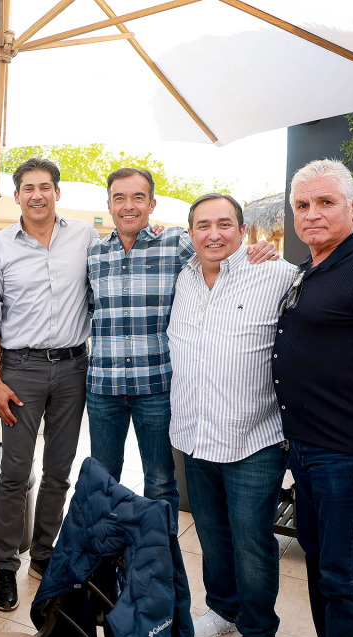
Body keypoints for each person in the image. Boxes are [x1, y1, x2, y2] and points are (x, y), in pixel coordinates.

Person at [87, 168, 277, 520]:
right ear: (109, 204)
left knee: (160, 481)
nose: (129, 206)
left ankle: (161, 550)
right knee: (102, 479)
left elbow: (220, 247)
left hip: (158, 387)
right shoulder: (93, 253)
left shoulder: (176, 243)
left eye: (138, 197)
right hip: (104, 387)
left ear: (151, 204)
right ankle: (103, 548)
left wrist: (257, 248)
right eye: (119, 198)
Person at [167, 193, 296, 637]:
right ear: (190, 233)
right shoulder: (182, 277)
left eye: (224, 224)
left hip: (252, 438)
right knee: (210, 533)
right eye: (203, 225)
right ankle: (223, 610)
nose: (214, 234)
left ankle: (258, 629)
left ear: (243, 231)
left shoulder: (277, 274)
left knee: (252, 542)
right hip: (194, 433)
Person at [0, 158, 100, 611]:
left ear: (57, 192)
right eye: (28, 188)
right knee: (14, 473)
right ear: (17, 196)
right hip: (20, 369)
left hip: (73, 368)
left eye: (44, 187)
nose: (37, 195)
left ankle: (44, 555)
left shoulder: (85, 236)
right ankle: (7, 566)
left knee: (59, 471)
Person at [273, 159, 353, 637]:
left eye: (325, 202)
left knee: (348, 581)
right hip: (308, 451)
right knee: (320, 566)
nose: (311, 213)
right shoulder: (309, 268)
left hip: (347, 456)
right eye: (302, 205)